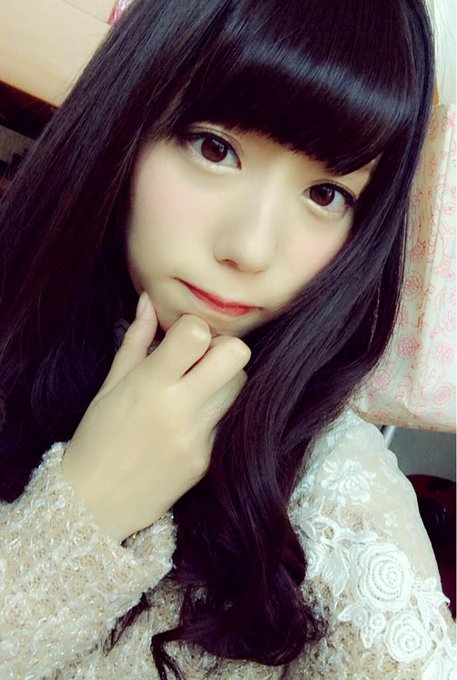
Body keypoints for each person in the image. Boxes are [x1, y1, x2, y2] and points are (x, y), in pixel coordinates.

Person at [0, 0, 454, 678]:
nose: (250, 248)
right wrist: (88, 505)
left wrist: (80, 524)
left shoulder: (339, 501)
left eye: (326, 194)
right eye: (215, 149)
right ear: (127, 112)